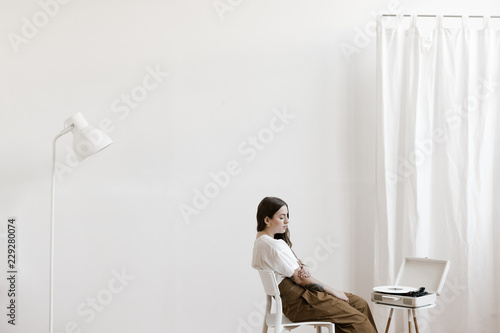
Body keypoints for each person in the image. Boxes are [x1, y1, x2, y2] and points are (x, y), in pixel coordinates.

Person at [252, 197, 378, 333]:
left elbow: (291, 269)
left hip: (300, 300)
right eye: (282, 217)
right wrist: (335, 292)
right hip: (301, 302)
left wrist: (302, 266)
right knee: (358, 319)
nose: (287, 221)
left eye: (287, 216)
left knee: (360, 304)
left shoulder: (262, 243)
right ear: (267, 220)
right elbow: (301, 279)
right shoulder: (273, 245)